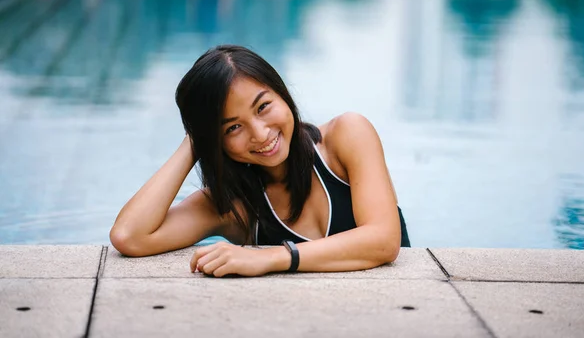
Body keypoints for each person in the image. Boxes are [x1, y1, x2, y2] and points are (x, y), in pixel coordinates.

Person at [110, 45, 410, 277]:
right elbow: (129, 236)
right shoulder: (236, 208)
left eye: (263, 106)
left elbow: (383, 240)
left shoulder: (345, 137)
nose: (260, 133)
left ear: (282, 93)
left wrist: (271, 257)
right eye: (233, 127)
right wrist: (195, 141)